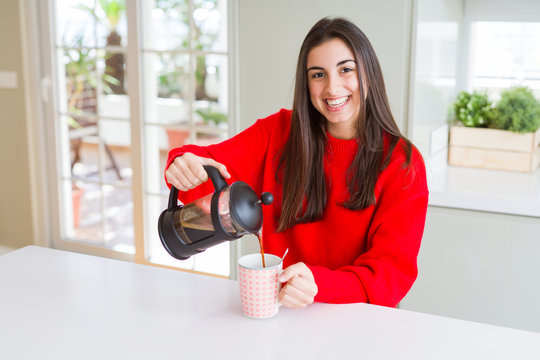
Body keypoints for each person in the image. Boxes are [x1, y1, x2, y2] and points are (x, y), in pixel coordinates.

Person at [164, 17, 429, 309]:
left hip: (359, 322)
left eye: (346, 70)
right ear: (306, 83)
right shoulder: (278, 133)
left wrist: (318, 285)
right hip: (281, 313)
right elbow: (209, 167)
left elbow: (390, 278)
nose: (332, 87)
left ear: (369, 73)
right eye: (318, 75)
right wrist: (183, 162)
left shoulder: (403, 163)